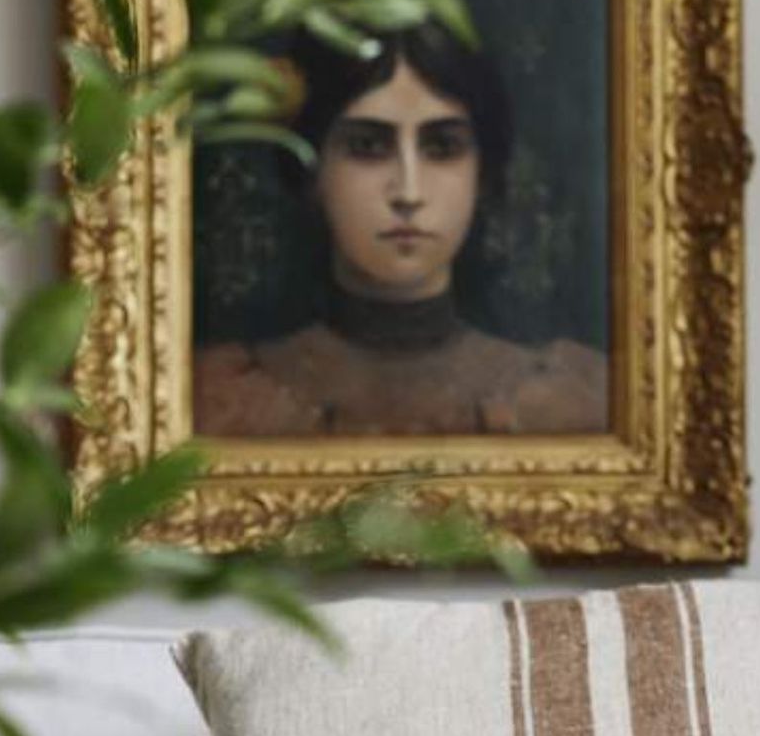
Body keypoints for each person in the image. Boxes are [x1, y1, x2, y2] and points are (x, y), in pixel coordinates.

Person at [194, 25, 612, 440]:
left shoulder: (573, 401)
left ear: (482, 174)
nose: (408, 193)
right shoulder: (221, 403)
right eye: (368, 147)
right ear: (310, 171)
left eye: (442, 148)